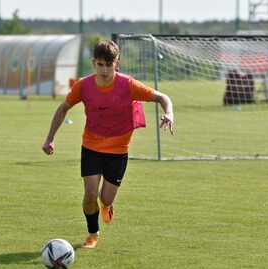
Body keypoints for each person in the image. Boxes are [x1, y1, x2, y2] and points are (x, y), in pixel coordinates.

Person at [42, 40, 174, 249]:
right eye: (100, 64)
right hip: (92, 146)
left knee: (105, 198)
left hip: (119, 150)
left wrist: (169, 113)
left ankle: (107, 205)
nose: (104, 70)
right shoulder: (83, 86)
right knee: (90, 194)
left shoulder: (128, 85)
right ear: (94, 63)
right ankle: (92, 233)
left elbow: (162, 97)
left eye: (109, 65)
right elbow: (63, 107)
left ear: (117, 64)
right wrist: (50, 138)